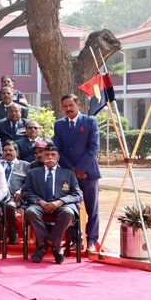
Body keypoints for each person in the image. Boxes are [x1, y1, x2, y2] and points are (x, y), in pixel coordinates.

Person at [21, 142, 83, 264]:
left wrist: (60, 202)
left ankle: (44, 246)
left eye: (53, 154)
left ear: (58, 157)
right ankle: (55, 247)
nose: (50, 157)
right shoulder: (33, 173)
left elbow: (78, 194)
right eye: (47, 154)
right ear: (42, 156)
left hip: (62, 205)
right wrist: (40, 201)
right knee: (30, 212)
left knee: (68, 212)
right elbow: (25, 192)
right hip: (40, 205)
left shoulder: (68, 173)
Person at [54, 93, 101, 254]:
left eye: (71, 105)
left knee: (91, 208)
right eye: (65, 106)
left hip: (89, 173)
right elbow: (58, 150)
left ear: (78, 105)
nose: (68, 109)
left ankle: (92, 240)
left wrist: (80, 168)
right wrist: (72, 171)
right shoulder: (59, 125)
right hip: (68, 174)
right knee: (71, 207)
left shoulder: (90, 122)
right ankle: (75, 239)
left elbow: (93, 148)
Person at [0, 140, 30, 244]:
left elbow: (29, 182)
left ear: (16, 152)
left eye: (10, 150)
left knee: (9, 206)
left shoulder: (25, 165)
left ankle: (13, 234)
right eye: (5, 150)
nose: (7, 152)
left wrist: (21, 190)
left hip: (15, 197)